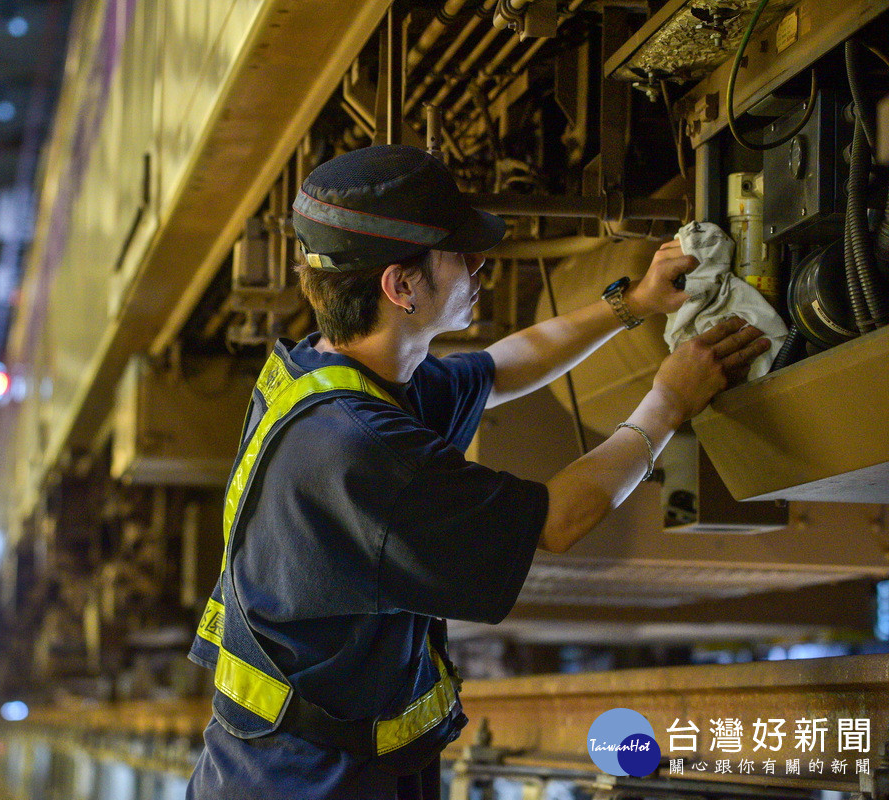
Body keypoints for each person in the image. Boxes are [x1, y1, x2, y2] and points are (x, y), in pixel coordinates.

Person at [186, 144, 769, 800]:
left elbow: (496, 370)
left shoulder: (330, 375)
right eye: (459, 253)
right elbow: (559, 519)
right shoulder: (360, 450)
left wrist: (631, 303)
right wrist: (669, 400)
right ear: (401, 286)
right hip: (309, 785)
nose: (479, 264)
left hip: (314, 764)